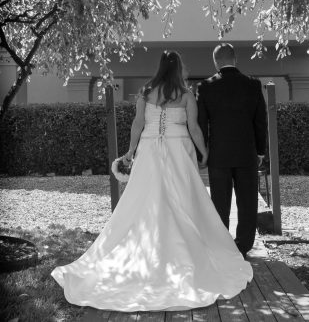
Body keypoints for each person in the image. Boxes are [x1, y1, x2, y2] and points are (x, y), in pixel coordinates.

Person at [51, 50, 252, 312]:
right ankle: (183, 250)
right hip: (179, 151)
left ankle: (149, 247)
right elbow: (194, 128)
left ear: (160, 68)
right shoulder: (186, 94)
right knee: (183, 199)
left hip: (149, 152)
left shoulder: (146, 92)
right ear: (179, 68)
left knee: (146, 199)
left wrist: (131, 152)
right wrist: (204, 151)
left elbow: (138, 124)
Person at [197, 43, 267, 259]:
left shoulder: (206, 87)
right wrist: (260, 151)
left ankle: (221, 244)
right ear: (235, 59)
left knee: (220, 201)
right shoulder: (253, 85)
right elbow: (260, 121)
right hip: (246, 152)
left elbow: (201, 124)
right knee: (247, 202)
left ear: (215, 61)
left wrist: (203, 153)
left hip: (219, 154)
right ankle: (243, 246)